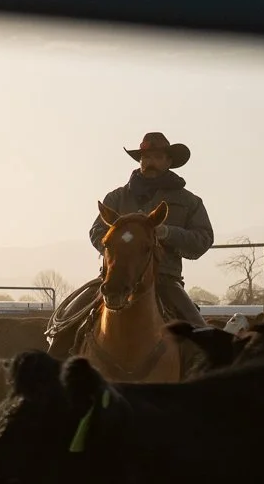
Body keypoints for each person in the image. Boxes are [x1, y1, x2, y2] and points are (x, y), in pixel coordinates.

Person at [49, 131, 214, 355]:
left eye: (156, 157)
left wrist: (167, 233)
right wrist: (116, 247)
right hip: (113, 277)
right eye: (145, 157)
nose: (149, 162)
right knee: (63, 331)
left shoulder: (189, 202)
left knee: (202, 339)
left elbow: (203, 239)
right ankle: (50, 382)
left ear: (168, 161)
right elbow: (97, 231)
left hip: (165, 279)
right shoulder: (115, 198)